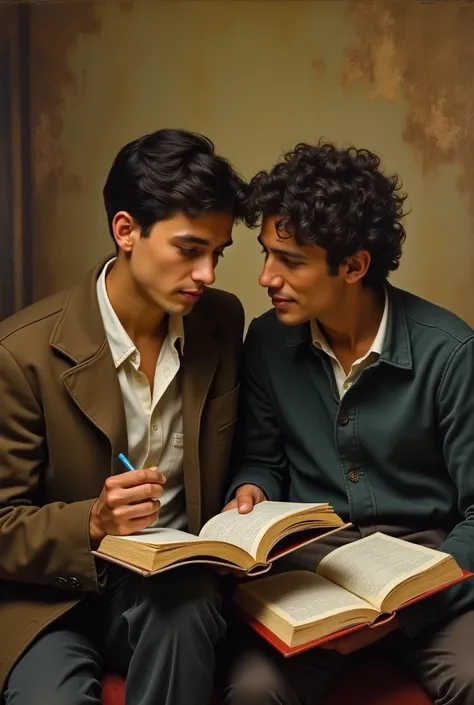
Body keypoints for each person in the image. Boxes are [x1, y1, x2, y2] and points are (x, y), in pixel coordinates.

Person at [0, 128, 249, 705]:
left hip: (173, 590)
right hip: (48, 603)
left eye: (217, 253)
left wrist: (247, 493)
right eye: (189, 250)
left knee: (185, 607)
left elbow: (247, 448)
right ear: (125, 231)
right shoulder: (19, 354)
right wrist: (91, 522)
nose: (207, 274)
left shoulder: (222, 321)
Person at [221, 141, 474, 705]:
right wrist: (251, 489)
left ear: (355, 265)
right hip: (314, 575)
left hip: (428, 572)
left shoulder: (451, 353)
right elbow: (262, 457)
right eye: (266, 254)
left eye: (290, 261)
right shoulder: (266, 341)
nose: (265, 277)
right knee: (252, 692)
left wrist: (411, 607)